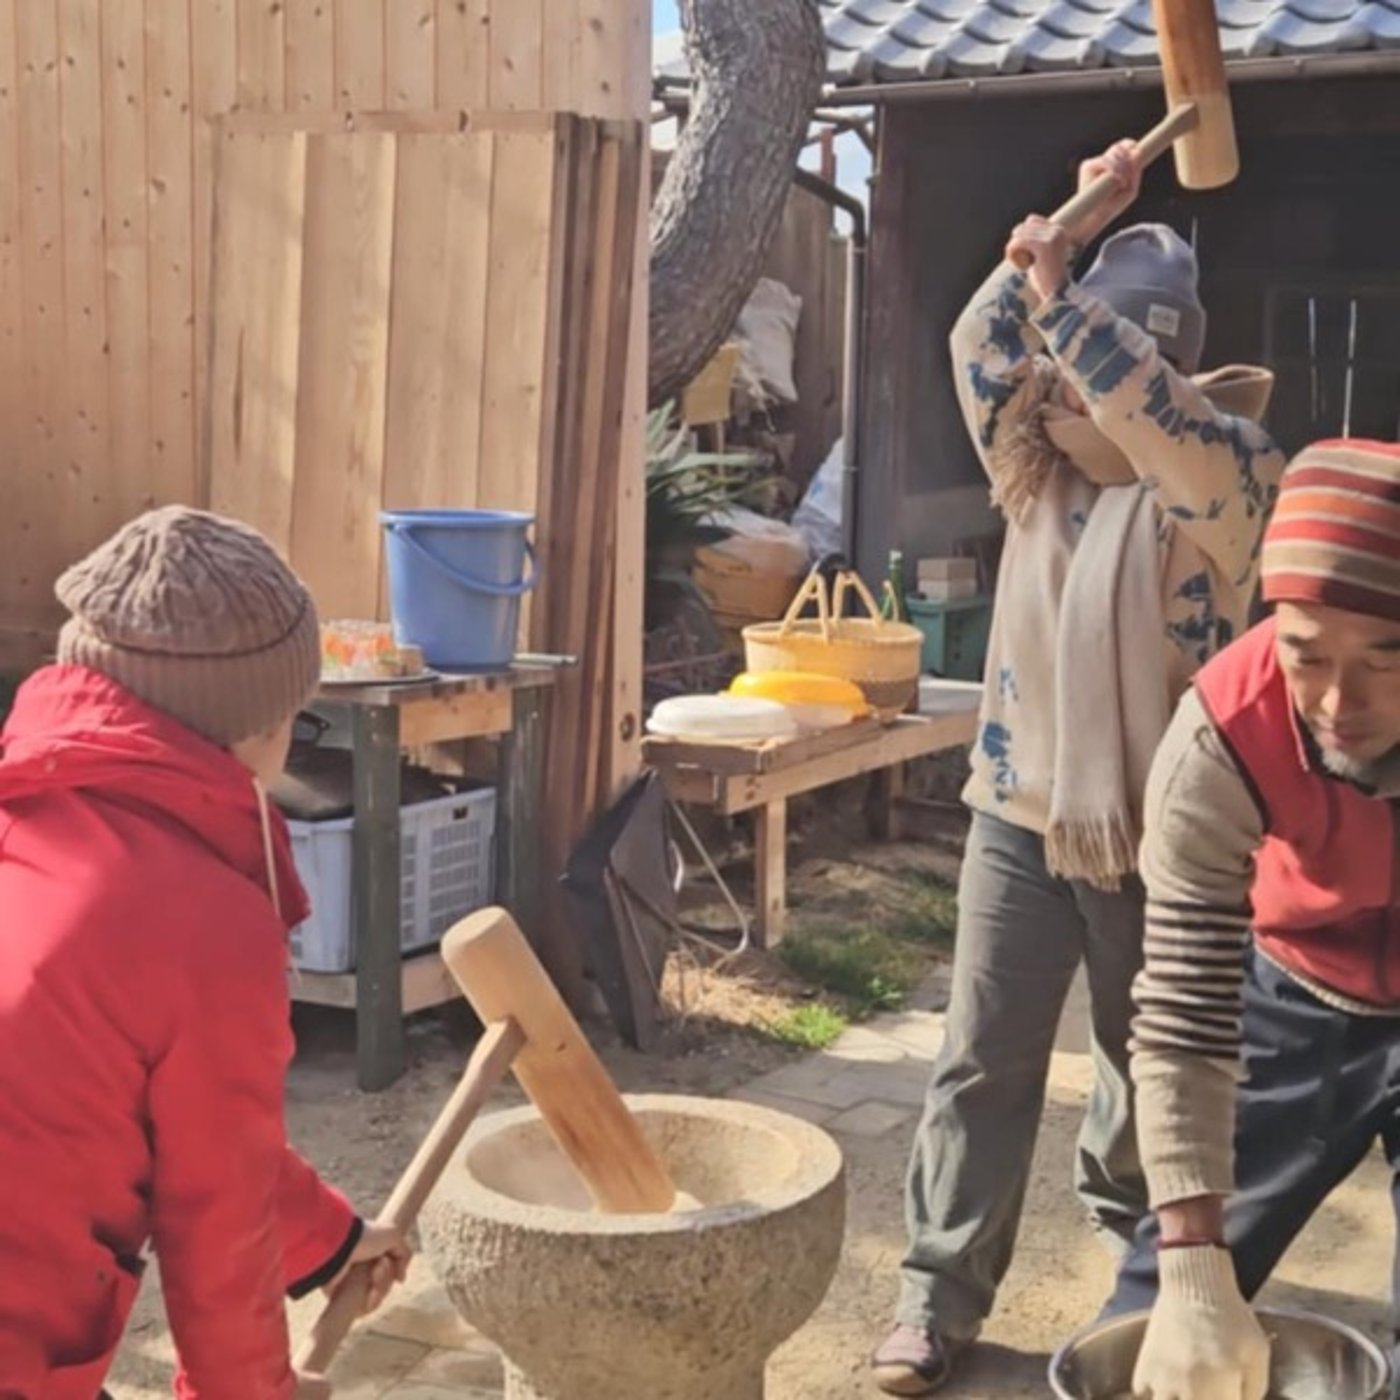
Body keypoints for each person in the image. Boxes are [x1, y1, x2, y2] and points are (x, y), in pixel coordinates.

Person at [871, 139, 1286, 1395]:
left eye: (1096, 350)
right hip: (1020, 811)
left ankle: (1143, 1281)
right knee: (979, 1059)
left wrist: (1069, 301)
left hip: (1173, 830)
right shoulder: (1031, 458)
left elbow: (1151, 420)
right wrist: (1083, 214)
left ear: (1176, 362)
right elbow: (976, 343)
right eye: (1067, 353)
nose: (1072, 380)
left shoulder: (1231, 467)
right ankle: (934, 1296)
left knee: (1149, 1064)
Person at [0, 507, 411, 1398]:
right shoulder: (200, 920)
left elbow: (193, 1129)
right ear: (255, 730)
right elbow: (216, 1223)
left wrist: (329, 1238)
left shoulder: (26, 804)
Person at [1101, 438, 1400, 1400]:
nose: (1340, 702)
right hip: (1294, 986)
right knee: (1163, 1307)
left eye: (1385, 659)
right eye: (1306, 653)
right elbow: (1183, 1011)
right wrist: (1194, 1262)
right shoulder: (1223, 735)